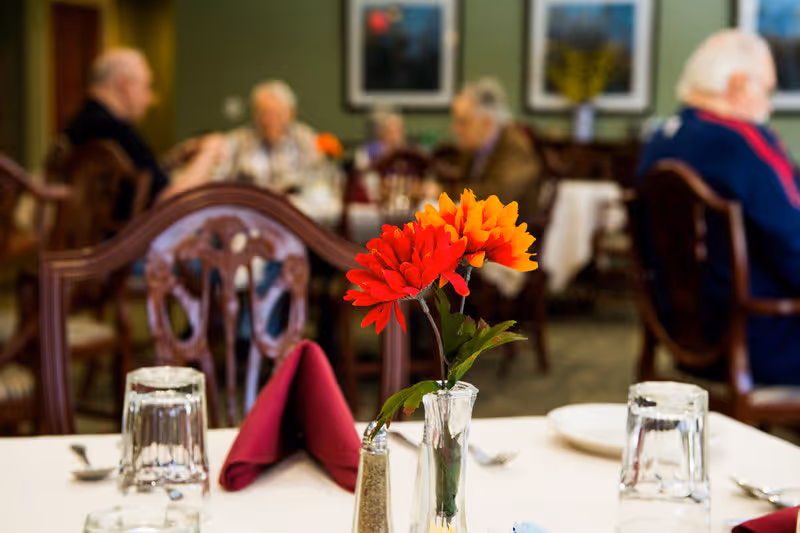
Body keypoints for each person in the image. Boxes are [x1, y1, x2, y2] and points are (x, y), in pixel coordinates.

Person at [637, 29, 800, 385]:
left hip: (679, 333)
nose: (770, 106)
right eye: (768, 90)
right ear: (739, 84)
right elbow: (793, 241)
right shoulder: (744, 143)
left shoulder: (659, 140)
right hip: (757, 339)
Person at [64, 48, 223, 221]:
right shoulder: (112, 130)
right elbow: (171, 202)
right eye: (147, 86)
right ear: (125, 85)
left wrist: (174, 159)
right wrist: (209, 152)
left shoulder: (84, 123)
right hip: (123, 244)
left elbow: (141, 180)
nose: (150, 99)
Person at [451, 78, 541, 221]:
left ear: (486, 123)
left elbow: (496, 196)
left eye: (463, 122)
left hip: (513, 236)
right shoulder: (474, 149)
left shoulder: (516, 149)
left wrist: (442, 192)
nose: (455, 129)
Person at [214, 80, 321, 192]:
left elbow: (317, 182)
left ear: (291, 114)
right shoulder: (236, 140)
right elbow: (216, 181)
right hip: (249, 205)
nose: (270, 120)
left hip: (293, 206)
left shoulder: (306, 139)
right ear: (254, 114)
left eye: (278, 114)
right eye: (264, 113)